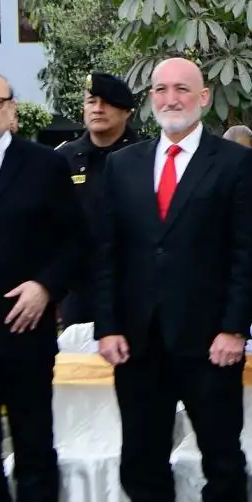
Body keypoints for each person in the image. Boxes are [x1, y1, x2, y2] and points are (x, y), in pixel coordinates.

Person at [90, 57, 252, 502]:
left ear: (204, 97)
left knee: (220, 457)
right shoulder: (123, 166)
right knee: (141, 456)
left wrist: (234, 328)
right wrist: (108, 325)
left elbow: (250, 255)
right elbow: (106, 254)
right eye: (161, 89)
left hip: (210, 342)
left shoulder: (235, 164)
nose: (170, 98)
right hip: (138, 341)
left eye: (181, 89)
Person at [0, 69, 83, 502]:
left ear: (13, 110)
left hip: (23, 330)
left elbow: (72, 240)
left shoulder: (44, 165)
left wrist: (45, 286)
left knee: (35, 447)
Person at [57, 72, 142, 325]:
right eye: (91, 101)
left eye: (107, 102)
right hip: (79, 289)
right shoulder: (63, 158)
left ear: (127, 111)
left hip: (132, 286)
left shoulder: (145, 157)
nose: (98, 109)